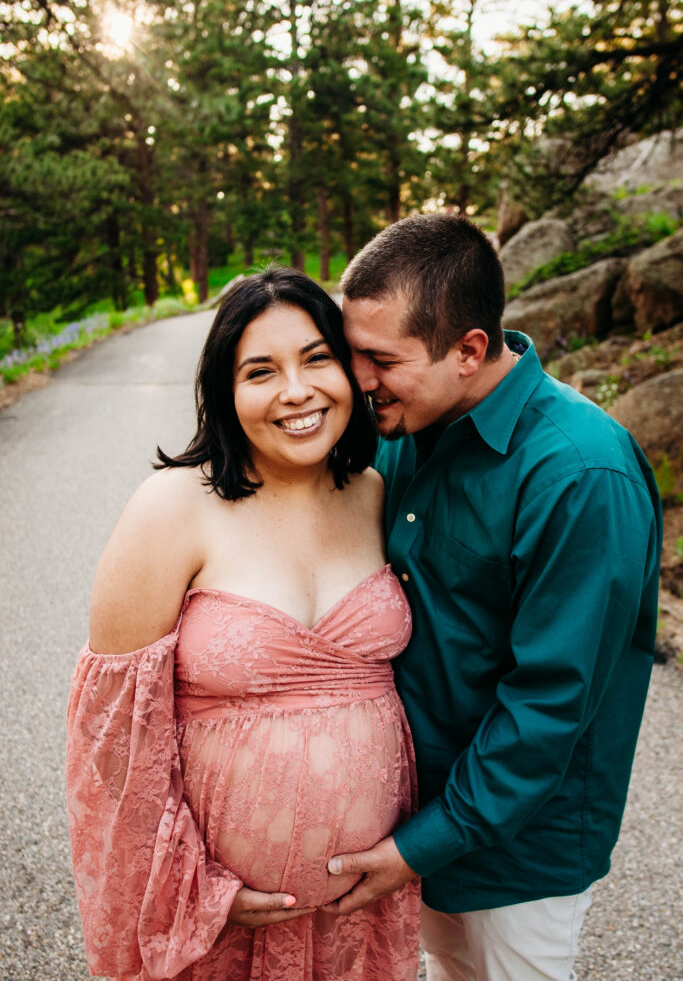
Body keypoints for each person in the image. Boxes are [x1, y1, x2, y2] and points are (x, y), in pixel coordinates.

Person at [322, 213, 663, 981]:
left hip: (520, 856)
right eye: (351, 353)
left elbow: (547, 707)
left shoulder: (580, 476)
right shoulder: (402, 426)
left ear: (469, 350)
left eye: (379, 358)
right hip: (417, 824)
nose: (357, 377)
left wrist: (420, 845)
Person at [65, 266, 421, 981]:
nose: (296, 391)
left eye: (317, 358)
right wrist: (194, 890)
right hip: (216, 917)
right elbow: (112, 742)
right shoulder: (172, 508)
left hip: (361, 905)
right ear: (225, 393)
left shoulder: (375, 494)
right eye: (261, 371)